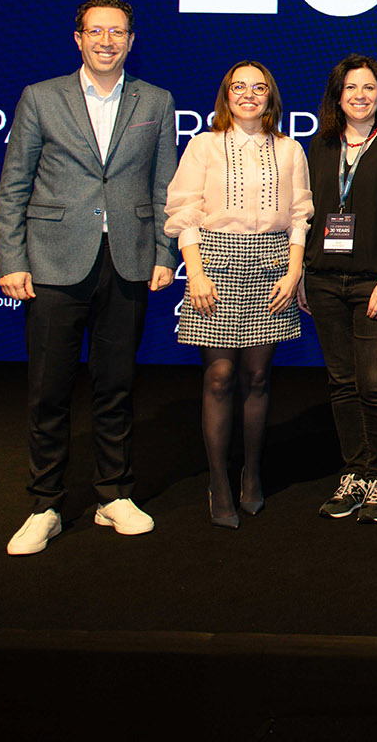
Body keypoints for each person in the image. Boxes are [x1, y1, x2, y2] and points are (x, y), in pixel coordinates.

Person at [0, 0, 176, 556]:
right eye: (96, 31)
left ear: (131, 40)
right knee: (49, 392)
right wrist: (12, 260)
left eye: (116, 32)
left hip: (128, 260)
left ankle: (114, 495)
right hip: (53, 263)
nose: (106, 41)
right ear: (78, 38)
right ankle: (44, 506)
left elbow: (164, 186)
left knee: (116, 387)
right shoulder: (40, 97)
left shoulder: (156, 101)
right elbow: (14, 185)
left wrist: (165, 252)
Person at [163, 61, 313, 529]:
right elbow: (183, 211)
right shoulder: (203, 145)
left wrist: (294, 272)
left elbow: (300, 215)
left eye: (258, 88)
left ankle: (251, 473)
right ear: (226, 95)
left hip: (272, 266)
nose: (249, 95)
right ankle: (219, 481)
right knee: (220, 376)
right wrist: (195, 273)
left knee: (258, 376)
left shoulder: (290, 149)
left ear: (271, 96)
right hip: (215, 264)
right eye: (239, 87)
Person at [302, 54, 377, 525]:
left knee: (375, 381)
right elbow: (304, 216)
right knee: (342, 382)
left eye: (369, 88)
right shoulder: (319, 146)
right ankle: (353, 472)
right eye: (351, 87)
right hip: (323, 280)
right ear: (337, 96)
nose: (360, 95)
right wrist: (303, 273)